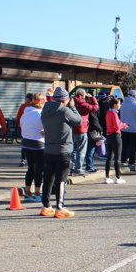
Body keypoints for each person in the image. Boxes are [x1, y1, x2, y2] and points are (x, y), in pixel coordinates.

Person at [39, 87, 82, 218]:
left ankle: (46, 206)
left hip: (49, 148)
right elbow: (78, 121)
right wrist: (73, 107)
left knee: (48, 179)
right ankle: (60, 207)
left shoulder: (45, 110)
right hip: (63, 149)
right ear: (64, 99)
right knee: (61, 180)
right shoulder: (64, 111)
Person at [19, 93, 47, 200]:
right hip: (38, 143)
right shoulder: (41, 114)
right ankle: (37, 193)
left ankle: (27, 191)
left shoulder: (25, 113)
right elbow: (45, 128)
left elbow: (22, 125)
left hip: (26, 142)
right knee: (39, 169)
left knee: (30, 168)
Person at [70, 88, 99, 176]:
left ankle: (72, 167)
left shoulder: (72, 102)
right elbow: (95, 107)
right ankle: (78, 168)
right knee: (81, 150)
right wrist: (92, 98)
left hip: (72, 128)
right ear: (83, 95)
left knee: (73, 149)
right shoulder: (82, 103)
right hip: (81, 129)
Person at [103, 96, 128, 184]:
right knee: (117, 157)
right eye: (119, 104)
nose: (120, 105)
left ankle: (107, 177)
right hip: (115, 135)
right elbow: (117, 127)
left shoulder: (108, 112)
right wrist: (123, 126)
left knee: (109, 157)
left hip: (109, 135)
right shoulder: (114, 114)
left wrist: (120, 124)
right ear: (114, 105)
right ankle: (118, 177)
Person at [120, 89, 136, 170]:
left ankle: (123, 159)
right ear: (134, 96)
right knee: (133, 146)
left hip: (124, 128)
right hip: (135, 128)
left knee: (125, 145)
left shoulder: (123, 104)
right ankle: (132, 160)